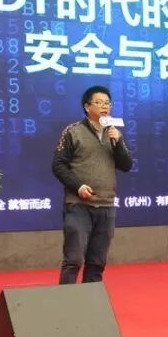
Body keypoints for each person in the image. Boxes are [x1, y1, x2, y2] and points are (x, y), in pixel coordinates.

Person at [51, 86, 133, 284]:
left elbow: (126, 165)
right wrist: (78, 186)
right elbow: (58, 165)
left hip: (106, 205)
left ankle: (91, 302)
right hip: (78, 205)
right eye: (99, 102)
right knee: (74, 260)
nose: (105, 107)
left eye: (107, 103)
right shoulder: (73, 131)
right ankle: (66, 301)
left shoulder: (114, 133)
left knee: (97, 263)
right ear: (87, 107)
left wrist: (118, 142)